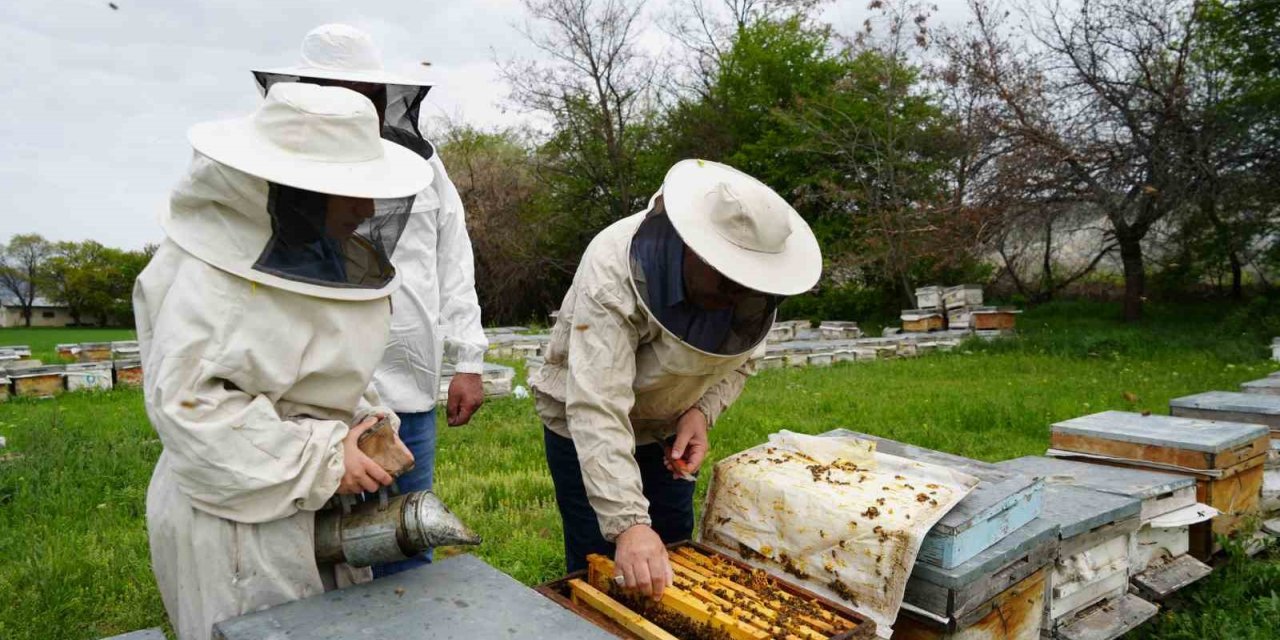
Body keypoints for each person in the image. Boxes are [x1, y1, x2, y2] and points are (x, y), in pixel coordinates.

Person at [135, 82, 431, 640]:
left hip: (308, 506)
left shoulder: (318, 256)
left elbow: (322, 369)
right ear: (299, 189)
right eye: (351, 191)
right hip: (238, 517)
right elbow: (192, 413)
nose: (367, 211)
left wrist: (367, 424)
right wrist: (324, 457)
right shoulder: (206, 275)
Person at [252, 25, 489, 576]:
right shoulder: (280, 168)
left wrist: (468, 359)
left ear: (383, 98)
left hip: (407, 389)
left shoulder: (424, 166)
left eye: (365, 94)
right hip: (317, 399)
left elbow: (454, 258)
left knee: (406, 539)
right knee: (322, 553)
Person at [530, 159, 823, 598]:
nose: (737, 297)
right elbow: (597, 403)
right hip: (586, 428)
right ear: (693, 248)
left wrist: (701, 412)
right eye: (727, 281)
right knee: (605, 565)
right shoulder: (613, 269)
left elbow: (743, 359)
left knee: (673, 551)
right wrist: (628, 523)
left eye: (748, 286)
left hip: (666, 435)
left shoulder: (751, 291)